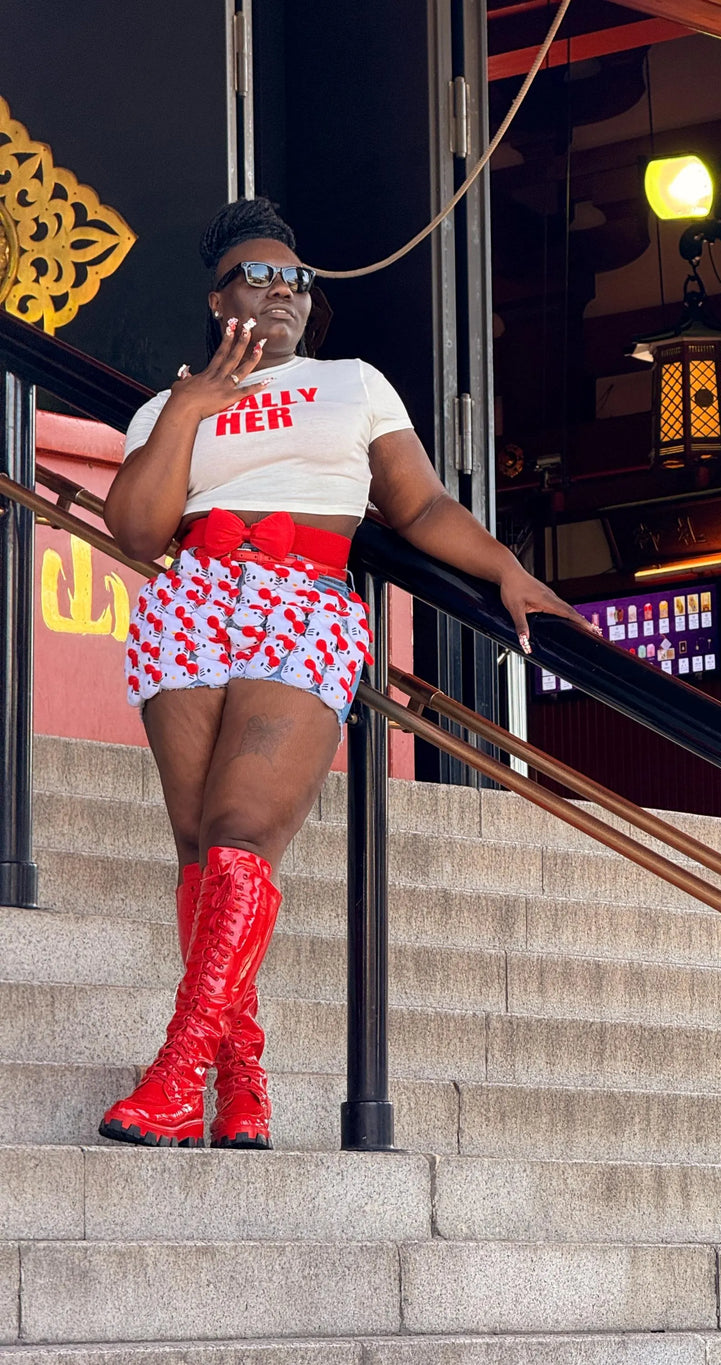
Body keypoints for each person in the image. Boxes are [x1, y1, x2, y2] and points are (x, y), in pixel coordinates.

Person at [99, 197, 584, 1148]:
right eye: (259, 275)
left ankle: (177, 1070)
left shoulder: (352, 384)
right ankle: (243, 1085)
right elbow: (136, 531)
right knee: (199, 847)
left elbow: (419, 506)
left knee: (242, 834)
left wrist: (508, 570)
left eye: (296, 278)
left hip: (302, 601)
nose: (282, 291)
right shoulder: (167, 406)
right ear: (219, 296)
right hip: (189, 601)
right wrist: (193, 407)